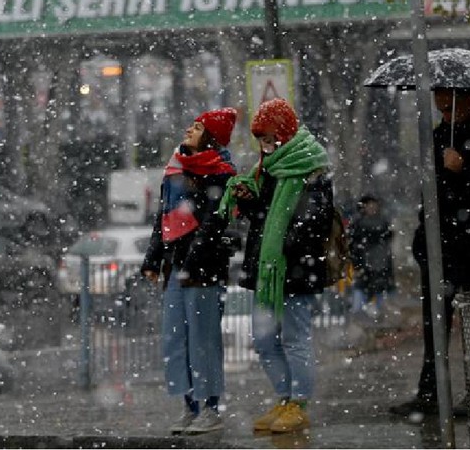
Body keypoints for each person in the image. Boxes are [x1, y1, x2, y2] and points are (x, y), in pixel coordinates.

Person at [219, 98, 332, 433]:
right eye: (261, 140)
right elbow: (263, 218)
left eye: (270, 138)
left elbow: (315, 222)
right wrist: (248, 201)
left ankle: (299, 403)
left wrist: (286, 243)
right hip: (267, 269)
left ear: (285, 132)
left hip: (296, 269)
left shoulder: (311, 167)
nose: (266, 146)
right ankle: (284, 399)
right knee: (264, 338)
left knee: (295, 338)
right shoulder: (267, 168)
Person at [141, 107, 237, 435]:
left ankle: (210, 406)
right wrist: (153, 259)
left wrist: (194, 254)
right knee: (175, 338)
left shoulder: (220, 172)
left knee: (203, 339)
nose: (189, 130)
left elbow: (215, 220)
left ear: (210, 136)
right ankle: (189, 404)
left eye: (197, 127)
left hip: (203, 269)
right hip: (176, 267)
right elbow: (163, 218)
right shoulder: (176, 168)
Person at [390, 87, 470, 418]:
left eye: (450, 104)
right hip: (441, 248)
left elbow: (467, 192)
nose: (444, 111)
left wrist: (464, 170)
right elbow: (432, 194)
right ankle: (431, 392)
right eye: (439, 105)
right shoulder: (441, 134)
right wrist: (422, 239)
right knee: (435, 325)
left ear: (467, 99)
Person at [348, 194, 394, 315]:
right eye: (369, 205)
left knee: (378, 301)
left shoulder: (382, 222)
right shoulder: (359, 223)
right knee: (361, 300)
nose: (372, 208)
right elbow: (353, 246)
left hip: (379, 266)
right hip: (366, 266)